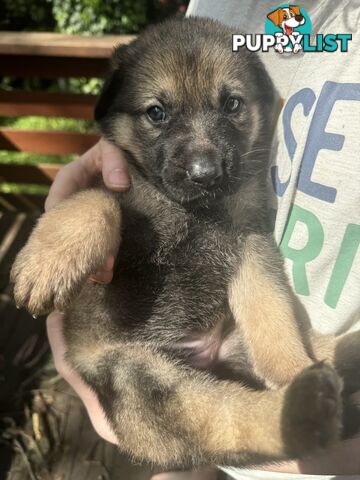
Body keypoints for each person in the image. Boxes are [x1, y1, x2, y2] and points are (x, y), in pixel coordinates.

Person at [46, 0, 360, 479]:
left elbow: (250, 266)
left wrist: (291, 367)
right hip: (128, 353)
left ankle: (293, 407)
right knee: (136, 383)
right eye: (158, 112)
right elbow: (104, 198)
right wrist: (77, 219)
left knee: (303, 332)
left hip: (231, 350)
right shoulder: (226, 9)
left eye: (231, 106)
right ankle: (272, 424)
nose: (203, 160)